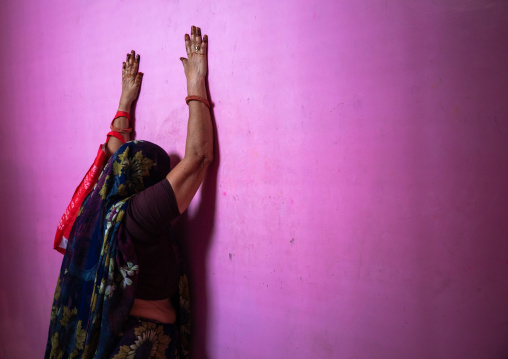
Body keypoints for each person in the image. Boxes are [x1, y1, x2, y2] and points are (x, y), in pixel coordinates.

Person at [45, 25, 213, 359]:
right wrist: (196, 83)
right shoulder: (138, 215)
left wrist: (125, 102)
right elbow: (197, 159)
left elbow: (109, 158)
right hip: (138, 348)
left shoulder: (94, 209)